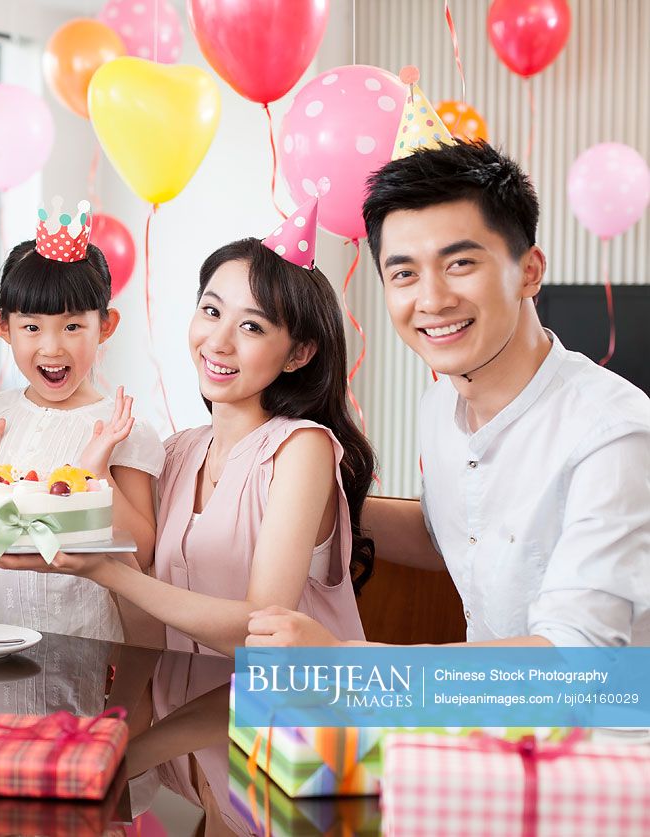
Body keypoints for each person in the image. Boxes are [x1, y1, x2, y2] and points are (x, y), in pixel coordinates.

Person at [247, 140, 650, 648]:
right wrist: (305, 494)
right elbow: (455, 537)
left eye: (459, 264)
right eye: (404, 274)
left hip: (608, 723)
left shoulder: (614, 433)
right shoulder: (440, 402)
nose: (432, 299)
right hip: (482, 718)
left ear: (529, 270)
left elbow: (575, 659)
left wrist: (349, 661)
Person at [0, 201, 375, 657]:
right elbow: (147, 598)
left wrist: (106, 570)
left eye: (251, 326)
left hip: (282, 712)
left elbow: (261, 630)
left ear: (298, 354)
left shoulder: (302, 448)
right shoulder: (178, 452)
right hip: (184, 708)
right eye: (211, 312)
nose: (218, 341)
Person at [0, 200, 163, 642]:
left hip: (83, 636)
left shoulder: (122, 428)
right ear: (3, 326)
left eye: (72, 327)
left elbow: (140, 551)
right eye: (31, 327)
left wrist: (97, 472)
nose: (51, 348)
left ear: (105, 326)